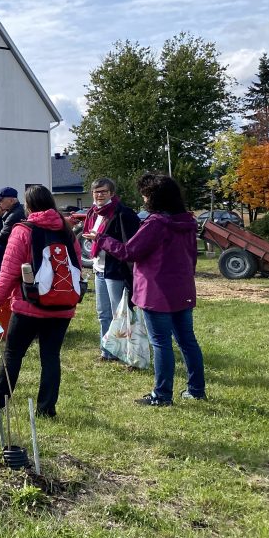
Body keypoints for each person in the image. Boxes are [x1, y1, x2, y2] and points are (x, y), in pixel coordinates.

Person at [93, 173, 205, 407]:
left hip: (156, 291)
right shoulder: (187, 222)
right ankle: (196, 389)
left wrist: (101, 239)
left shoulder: (155, 224)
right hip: (182, 288)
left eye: (145, 195)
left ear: (155, 197)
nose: (143, 200)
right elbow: (192, 257)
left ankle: (162, 395)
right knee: (187, 340)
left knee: (161, 342)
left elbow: (129, 252)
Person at [0, 185, 81, 418]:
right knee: (51, 357)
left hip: (29, 305)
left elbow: (8, 272)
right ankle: (47, 409)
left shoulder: (23, 230)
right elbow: (76, 267)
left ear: (29, 205)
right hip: (63, 307)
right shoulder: (67, 230)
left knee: (13, 354)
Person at [82, 177, 141, 361]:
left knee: (120, 313)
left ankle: (125, 352)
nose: (100, 195)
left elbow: (129, 245)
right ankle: (107, 351)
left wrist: (99, 239)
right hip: (99, 268)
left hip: (116, 270)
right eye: (96, 192)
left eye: (104, 192)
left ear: (112, 193)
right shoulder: (93, 213)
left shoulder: (123, 213)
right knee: (103, 313)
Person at [0, 186, 25, 281]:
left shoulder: (14, 215)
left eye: (1, 200)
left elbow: (1, 240)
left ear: (11, 201)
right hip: (25, 244)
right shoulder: (19, 210)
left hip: (23, 248)